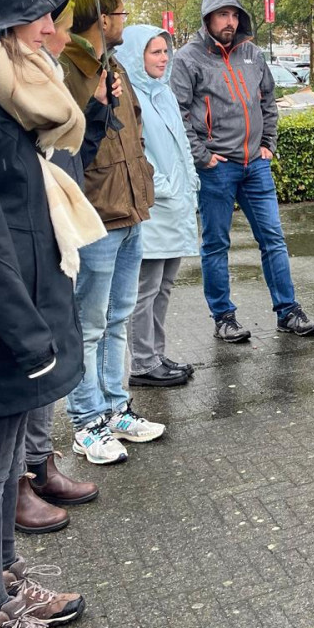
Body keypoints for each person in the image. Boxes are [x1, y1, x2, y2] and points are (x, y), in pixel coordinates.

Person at [0, 0, 101, 628]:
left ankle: (6, 577)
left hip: (20, 318)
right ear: (2, 25)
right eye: (40, 15)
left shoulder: (10, 98)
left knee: (5, 464)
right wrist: (28, 332)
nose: (53, 28)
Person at [170, 0, 314, 342]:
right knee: (216, 244)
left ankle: (288, 311)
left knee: (273, 239)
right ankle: (223, 317)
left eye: (234, 15)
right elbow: (178, 112)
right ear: (208, 18)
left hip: (256, 166)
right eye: (222, 15)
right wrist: (202, 157)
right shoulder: (188, 59)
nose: (230, 22)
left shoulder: (252, 54)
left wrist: (269, 144)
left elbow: (268, 101)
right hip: (216, 168)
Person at [14, 2, 111, 535]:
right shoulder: (0, 89)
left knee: (49, 350)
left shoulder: (49, 75)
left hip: (54, 235)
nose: (56, 30)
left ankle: (39, 463)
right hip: (25, 240)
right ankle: (22, 479)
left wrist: (95, 112)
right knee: (28, 357)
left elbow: (76, 154)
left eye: (61, 20)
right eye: (46, 20)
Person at [60, 0, 163, 464]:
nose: (125, 19)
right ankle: (85, 420)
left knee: (118, 315)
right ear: (103, 18)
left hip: (129, 210)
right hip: (96, 213)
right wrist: (92, 100)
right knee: (89, 322)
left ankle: (114, 407)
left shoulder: (112, 63)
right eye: (120, 12)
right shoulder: (69, 67)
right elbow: (61, 142)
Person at [116, 26, 198, 388]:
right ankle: (143, 363)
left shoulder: (162, 93)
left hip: (175, 204)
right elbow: (138, 153)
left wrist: (190, 183)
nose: (164, 59)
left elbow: (180, 145)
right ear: (137, 54)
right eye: (155, 52)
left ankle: (156, 354)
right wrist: (164, 190)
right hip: (154, 207)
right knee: (145, 288)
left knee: (164, 286)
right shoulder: (130, 97)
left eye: (166, 52)